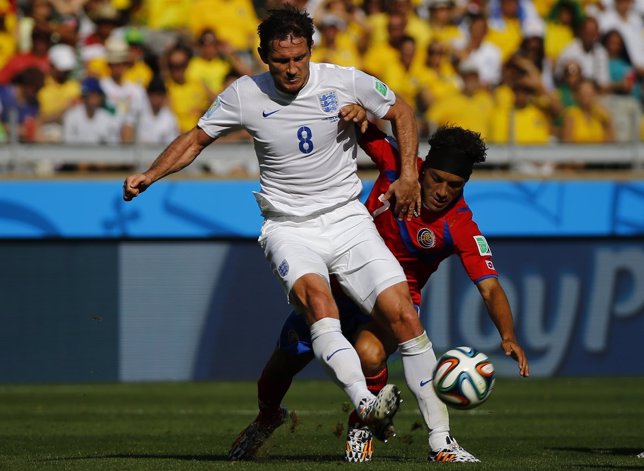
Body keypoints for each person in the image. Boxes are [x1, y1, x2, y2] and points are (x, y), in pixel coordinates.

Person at [123, 4, 432, 447]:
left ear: (311, 50)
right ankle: (270, 416)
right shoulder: (244, 94)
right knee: (288, 355)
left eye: (299, 58)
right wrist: (150, 174)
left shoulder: (345, 82)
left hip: (347, 227)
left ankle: (384, 423)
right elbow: (195, 138)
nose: (292, 68)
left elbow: (401, 111)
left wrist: (408, 176)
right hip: (292, 229)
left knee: (386, 332)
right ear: (264, 56)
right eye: (281, 60)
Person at [227, 119, 530, 463]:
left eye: (455, 186)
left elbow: (490, 288)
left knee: (369, 354)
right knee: (280, 367)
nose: (443, 192)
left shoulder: (460, 225)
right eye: (437, 180)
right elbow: (361, 128)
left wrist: (508, 335)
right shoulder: (397, 167)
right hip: (338, 291)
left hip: (393, 305)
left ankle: (370, 425)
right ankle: (267, 417)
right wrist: (357, 109)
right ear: (423, 169)